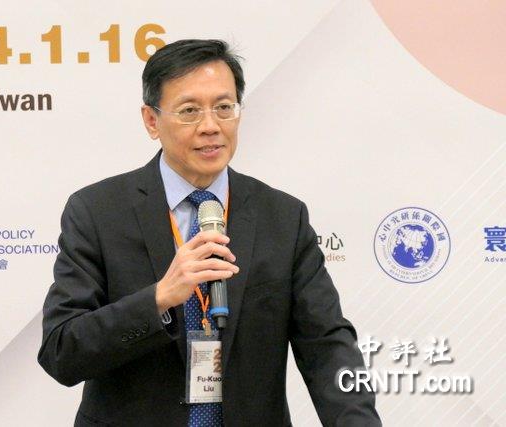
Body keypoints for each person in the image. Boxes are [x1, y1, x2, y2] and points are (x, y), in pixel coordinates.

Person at [38, 39, 381, 426]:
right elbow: (62, 352)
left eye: (224, 107)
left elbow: (327, 346)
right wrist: (158, 299)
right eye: (189, 111)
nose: (210, 126)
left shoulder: (283, 217)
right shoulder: (98, 212)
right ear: (151, 121)